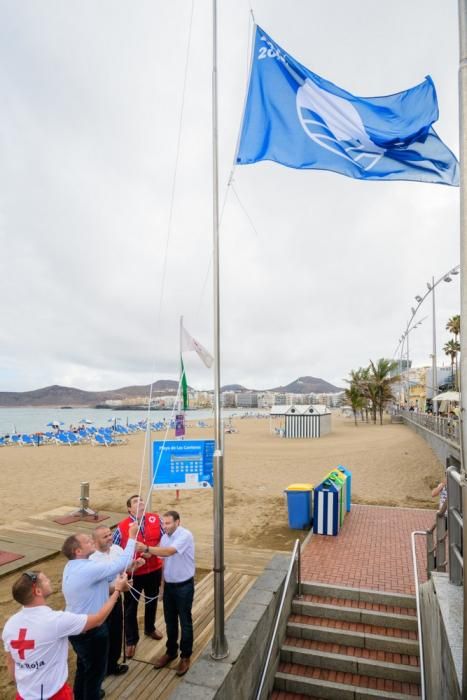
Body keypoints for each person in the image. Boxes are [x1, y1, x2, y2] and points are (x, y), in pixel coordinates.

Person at [2, 569, 127, 700]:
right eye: (45, 580)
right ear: (38, 591)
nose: (49, 581)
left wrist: (25, 686)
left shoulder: (10, 624)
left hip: (24, 695)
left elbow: (10, 662)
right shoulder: (55, 621)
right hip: (55, 694)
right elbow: (98, 619)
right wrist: (117, 590)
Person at [61, 520, 138, 700]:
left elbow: (107, 576)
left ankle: (81, 695)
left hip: (78, 626)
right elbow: (117, 566)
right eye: (87, 541)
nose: (91, 542)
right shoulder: (87, 568)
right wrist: (132, 536)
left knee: (84, 667)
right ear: (78, 551)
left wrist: (129, 570)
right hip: (91, 630)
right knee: (95, 672)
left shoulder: (72, 566)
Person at [138, 510, 195, 677]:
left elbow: (169, 552)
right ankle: (171, 652)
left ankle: (185, 656)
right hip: (169, 586)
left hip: (184, 586)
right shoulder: (165, 537)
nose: (165, 526)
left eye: (168, 523)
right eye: (163, 523)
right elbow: (163, 561)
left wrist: (147, 547)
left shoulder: (185, 535)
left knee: (185, 622)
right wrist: (145, 554)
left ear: (178, 522)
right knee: (170, 622)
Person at [112, 495, 164, 658]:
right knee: (130, 607)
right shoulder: (122, 527)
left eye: (141, 500)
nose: (140, 502)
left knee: (151, 600)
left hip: (154, 569)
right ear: (129, 509)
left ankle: (150, 628)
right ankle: (131, 640)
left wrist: (151, 550)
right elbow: (115, 550)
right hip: (134, 573)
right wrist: (133, 561)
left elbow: (165, 541)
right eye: (135, 501)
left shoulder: (156, 519)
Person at [90, 526, 145, 677]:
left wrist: (134, 565)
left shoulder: (117, 549)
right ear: (94, 541)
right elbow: (95, 589)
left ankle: (112, 665)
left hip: (115, 600)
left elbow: (124, 567)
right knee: (101, 639)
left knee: (116, 633)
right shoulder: (91, 559)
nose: (109, 538)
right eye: (105, 536)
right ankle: (99, 674)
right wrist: (119, 588)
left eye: (110, 534)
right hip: (99, 604)